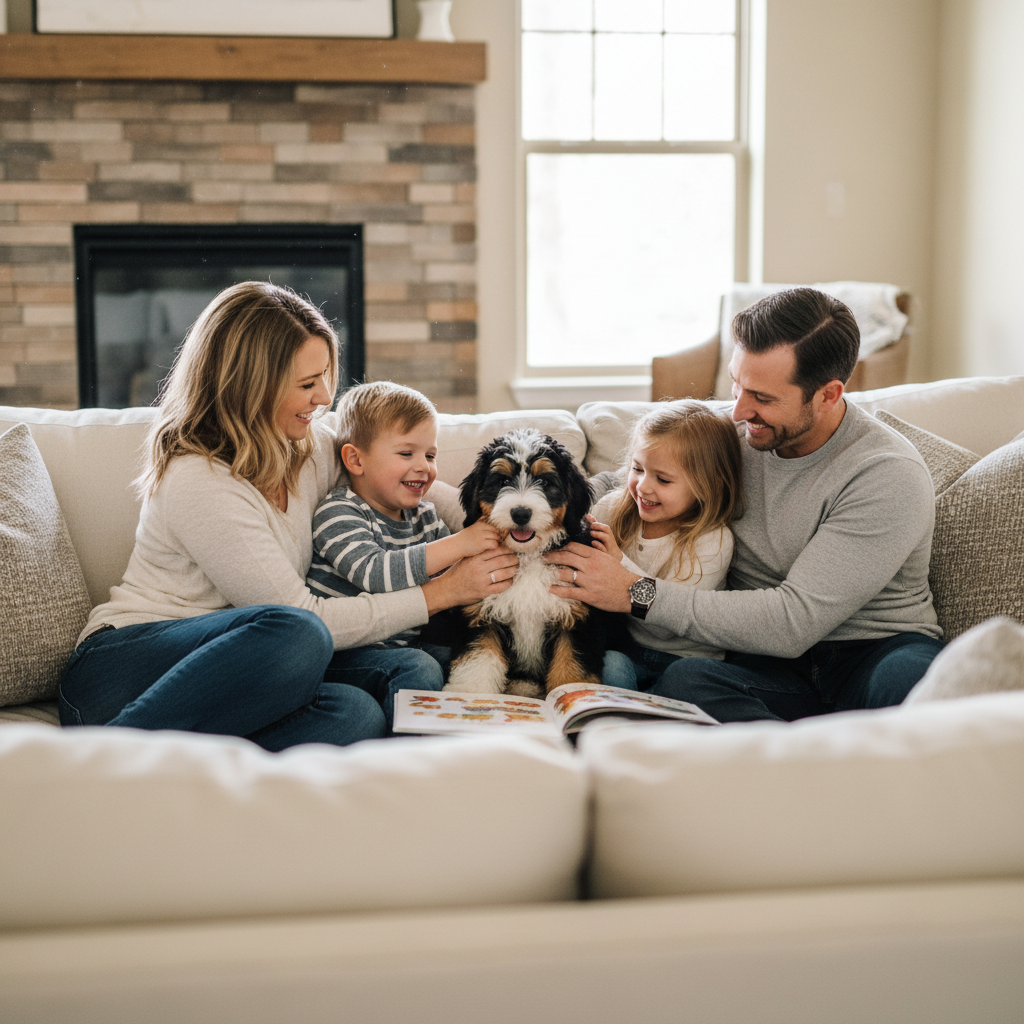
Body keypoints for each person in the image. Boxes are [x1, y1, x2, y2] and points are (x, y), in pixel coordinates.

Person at [58, 281, 518, 750]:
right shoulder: (198, 478)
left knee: (354, 713)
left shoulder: (308, 445)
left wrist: (507, 519)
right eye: (306, 384)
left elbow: (406, 481)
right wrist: (442, 592)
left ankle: (187, 762)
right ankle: (103, 755)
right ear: (251, 387)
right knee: (297, 631)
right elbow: (303, 617)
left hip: (248, 674)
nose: (323, 397)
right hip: (122, 674)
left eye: (324, 376)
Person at [547, 287, 943, 722]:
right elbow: (621, 481)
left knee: (917, 682)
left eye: (762, 398)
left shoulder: (886, 473)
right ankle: (804, 763)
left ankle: (806, 764)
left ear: (829, 395)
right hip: (765, 668)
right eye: (737, 385)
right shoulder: (737, 436)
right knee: (686, 681)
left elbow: (793, 621)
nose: (736, 411)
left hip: (871, 654)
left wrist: (632, 591)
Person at [306, 380, 501, 726]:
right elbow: (376, 572)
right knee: (420, 666)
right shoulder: (339, 511)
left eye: (430, 455)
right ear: (355, 459)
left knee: (468, 659)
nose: (424, 466)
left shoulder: (424, 516)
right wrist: (460, 542)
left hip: (397, 648)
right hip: (338, 653)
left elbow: (457, 575)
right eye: (406, 453)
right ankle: (408, 758)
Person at [590, 401, 742, 691]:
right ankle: (615, 724)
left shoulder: (712, 540)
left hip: (686, 656)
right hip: (627, 649)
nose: (644, 486)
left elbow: (665, 622)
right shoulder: (612, 510)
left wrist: (618, 561)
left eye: (663, 479)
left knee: (688, 676)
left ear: (706, 485)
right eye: (637, 468)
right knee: (609, 665)